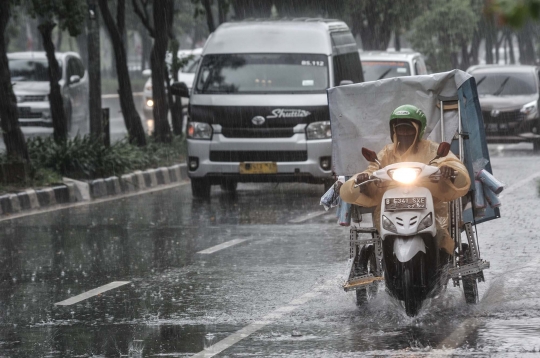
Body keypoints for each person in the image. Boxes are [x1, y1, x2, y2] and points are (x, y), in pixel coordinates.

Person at [339, 104, 471, 259]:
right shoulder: (386, 153)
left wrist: (447, 170)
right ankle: (387, 257)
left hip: (431, 207)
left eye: (409, 129)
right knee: (381, 225)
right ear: (394, 130)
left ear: (418, 130)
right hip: (391, 209)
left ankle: (440, 257)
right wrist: (364, 178)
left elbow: (448, 162)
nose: (404, 133)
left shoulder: (433, 150)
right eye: (400, 128)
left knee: (441, 234)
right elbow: (373, 169)